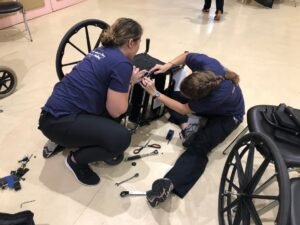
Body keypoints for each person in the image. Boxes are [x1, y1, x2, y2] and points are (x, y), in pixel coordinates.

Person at [38, 18, 145, 186]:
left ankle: (63, 139)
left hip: (49, 114)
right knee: (121, 139)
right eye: (139, 42)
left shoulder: (100, 51)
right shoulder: (122, 63)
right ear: (131, 42)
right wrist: (129, 82)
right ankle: (75, 161)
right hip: (62, 123)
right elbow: (116, 110)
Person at [140, 52, 245, 207]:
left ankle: (170, 182)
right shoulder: (209, 66)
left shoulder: (213, 97)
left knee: (199, 146)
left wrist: (155, 93)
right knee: (170, 97)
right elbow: (187, 55)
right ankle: (186, 126)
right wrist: (167, 65)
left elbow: (183, 109)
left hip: (229, 116)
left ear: (199, 98)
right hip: (210, 105)